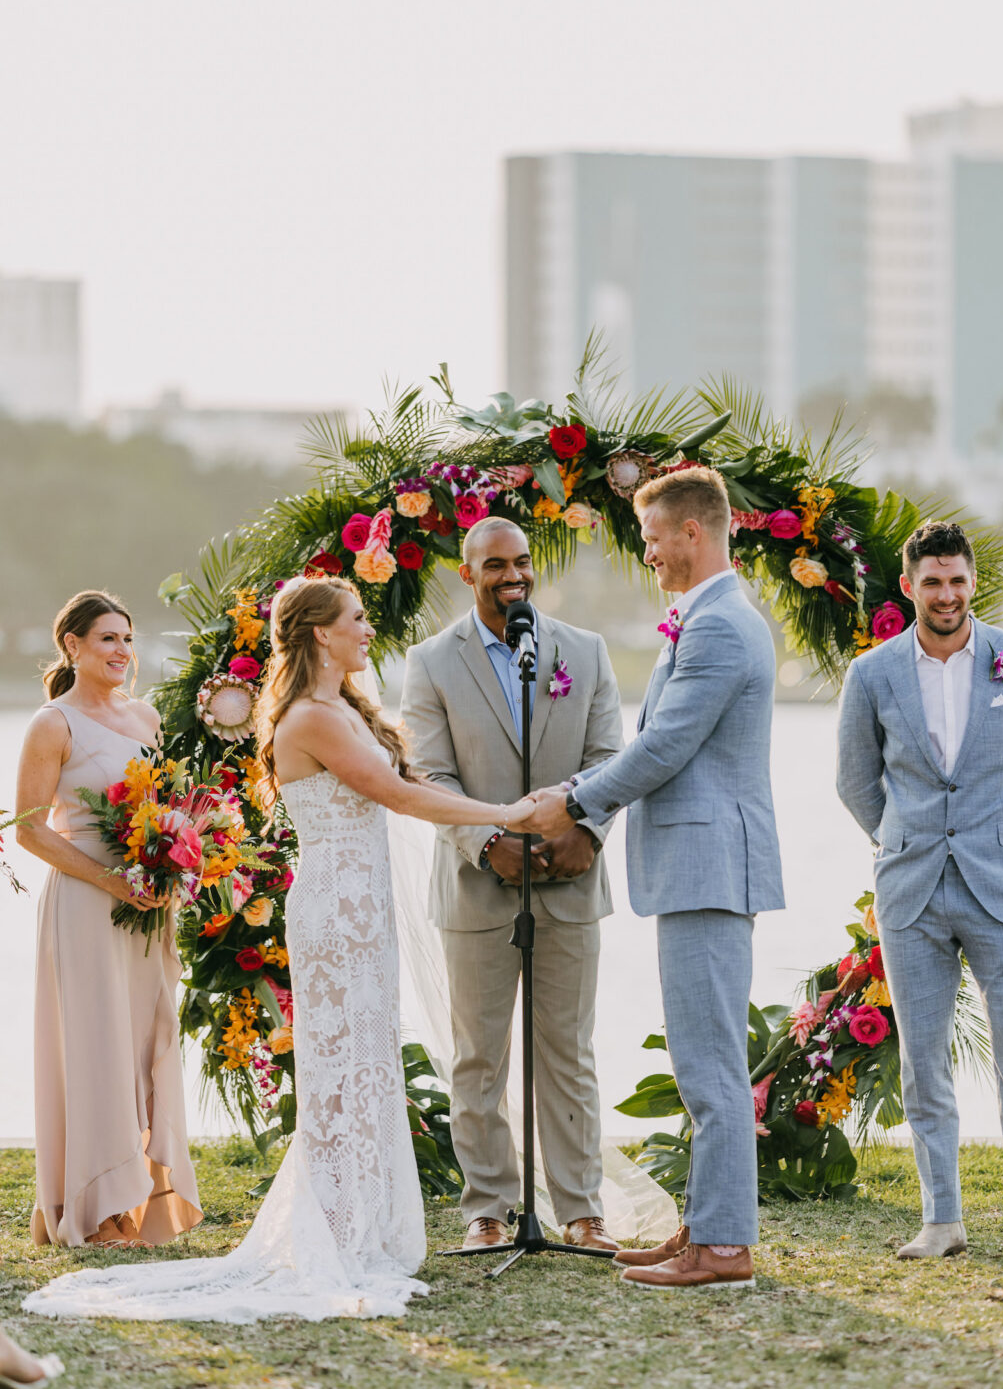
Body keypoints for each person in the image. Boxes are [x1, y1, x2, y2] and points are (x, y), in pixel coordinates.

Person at [23, 575, 535, 1322]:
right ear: (321, 633)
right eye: (358, 619)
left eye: (131, 638)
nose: (368, 630)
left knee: (364, 1057)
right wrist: (505, 814)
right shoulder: (308, 718)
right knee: (337, 1066)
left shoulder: (338, 708)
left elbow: (405, 779)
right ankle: (318, 1224)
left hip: (357, 907)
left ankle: (357, 1221)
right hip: (328, 907)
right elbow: (394, 795)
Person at [530, 467, 785, 1290]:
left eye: (652, 539)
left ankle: (723, 1250)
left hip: (709, 866)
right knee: (699, 1057)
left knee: (710, 1065)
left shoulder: (718, 628)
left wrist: (574, 802)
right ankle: (705, 1229)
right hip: (698, 864)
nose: (649, 556)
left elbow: (666, 745)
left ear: (692, 533)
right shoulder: (708, 619)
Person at [400, 516, 624, 1253]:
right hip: (476, 887)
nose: (514, 577)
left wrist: (585, 832)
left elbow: (608, 757)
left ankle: (581, 1209)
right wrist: (485, 839)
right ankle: (487, 1209)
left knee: (569, 1050)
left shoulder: (584, 652)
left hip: (570, 881)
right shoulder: (430, 662)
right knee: (479, 1057)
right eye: (496, 565)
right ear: (467, 574)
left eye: (522, 563)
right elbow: (427, 772)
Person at [837, 521, 1003, 1259]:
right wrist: (901, 838)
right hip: (911, 888)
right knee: (922, 1060)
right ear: (908, 585)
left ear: (971, 581)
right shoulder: (873, 673)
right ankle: (941, 1219)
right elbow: (855, 779)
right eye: (932, 581)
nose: (946, 594)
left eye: (957, 580)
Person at [15, 591, 202, 1250]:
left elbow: (164, 808)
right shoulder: (52, 724)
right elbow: (31, 831)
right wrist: (110, 879)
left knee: (145, 1041)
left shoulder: (145, 718)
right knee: (93, 1048)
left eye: (128, 638)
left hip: (147, 907)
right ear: (73, 646)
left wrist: (174, 861)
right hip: (85, 904)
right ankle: (92, 1210)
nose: (123, 650)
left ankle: (135, 1197)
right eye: (107, 639)